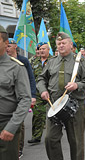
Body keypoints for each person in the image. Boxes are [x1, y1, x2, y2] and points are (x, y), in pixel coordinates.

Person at [37, 32, 85, 160]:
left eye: (63, 43)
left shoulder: (79, 61)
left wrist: (77, 85)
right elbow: (41, 79)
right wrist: (42, 90)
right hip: (54, 105)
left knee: (76, 142)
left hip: (75, 106)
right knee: (50, 139)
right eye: (58, 43)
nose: (61, 45)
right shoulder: (51, 62)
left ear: (70, 45)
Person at [0, 25, 31, 160]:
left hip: (6, 123)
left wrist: (12, 127)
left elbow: (25, 99)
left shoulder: (16, 67)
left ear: (6, 43)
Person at [6, 38, 36, 158]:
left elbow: (31, 78)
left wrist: (32, 95)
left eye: (9, 46)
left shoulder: (23, 60)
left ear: (15, 47)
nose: (7, 48)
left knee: (19, 123)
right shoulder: (4, 60)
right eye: (6, 45)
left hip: (20, 96)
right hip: (7, 97)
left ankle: (19, 148)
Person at [28, 42, 52, 145]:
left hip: (51, 91)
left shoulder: (54, 60)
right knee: (38, 114)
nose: (41, 50)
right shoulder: (33, 61)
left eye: (43, 49)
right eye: (40, 49)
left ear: (48, 49)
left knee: (54, 116)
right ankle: (36, 136)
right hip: (37, 92)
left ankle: (53, 135)